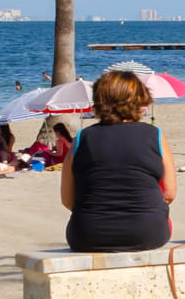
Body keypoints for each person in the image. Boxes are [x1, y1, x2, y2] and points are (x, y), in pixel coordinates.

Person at [63, 72, 176, 251]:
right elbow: (169, 194)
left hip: (87, 235)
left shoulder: (82, 138)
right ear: (139, 99)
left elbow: (68, 200)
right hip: (147, 232)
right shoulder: (155, 135)